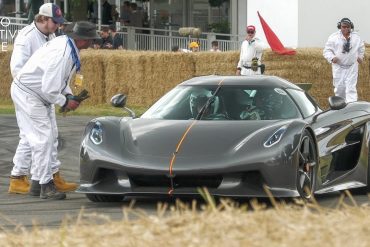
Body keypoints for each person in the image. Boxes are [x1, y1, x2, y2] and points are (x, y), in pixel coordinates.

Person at [10, 21, 99, 200]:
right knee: (44, 139)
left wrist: (69, 96)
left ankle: (37, 183)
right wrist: (65, 102)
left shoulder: (66, 44)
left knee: (45, 138)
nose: (93, 43)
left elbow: (61, 81)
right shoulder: (63, 52)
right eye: (91, 40)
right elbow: (49, 87)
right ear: (82, 40)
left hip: (30, 91)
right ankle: (45, 186)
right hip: (31, 94)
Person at [9, 3, 77, 196]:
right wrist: (40, 93)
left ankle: (52, 175)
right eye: (54, 22)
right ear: (43, 19)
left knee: (50, 135)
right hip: (31, 94)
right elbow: (17, 70)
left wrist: (62, 94)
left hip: (44, 94)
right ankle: (19, 177)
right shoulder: (26, 36)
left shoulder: (52, 36)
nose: (57, 25)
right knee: (34, 137)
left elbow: (58, 73)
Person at [323, 18, 365, 103]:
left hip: (352, 67)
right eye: (344, 27)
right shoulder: (333, 37)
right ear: (340, 27)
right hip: (339, 68)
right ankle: (341, 109)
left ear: (351, 27)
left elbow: (361, 48)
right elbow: (327, 50)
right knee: (339, 89)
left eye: (348, 27)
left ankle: (351, 108)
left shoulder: (356, 37)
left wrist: (360, 57)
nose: (346, 29)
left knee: (351, 89)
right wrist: (332, 57)